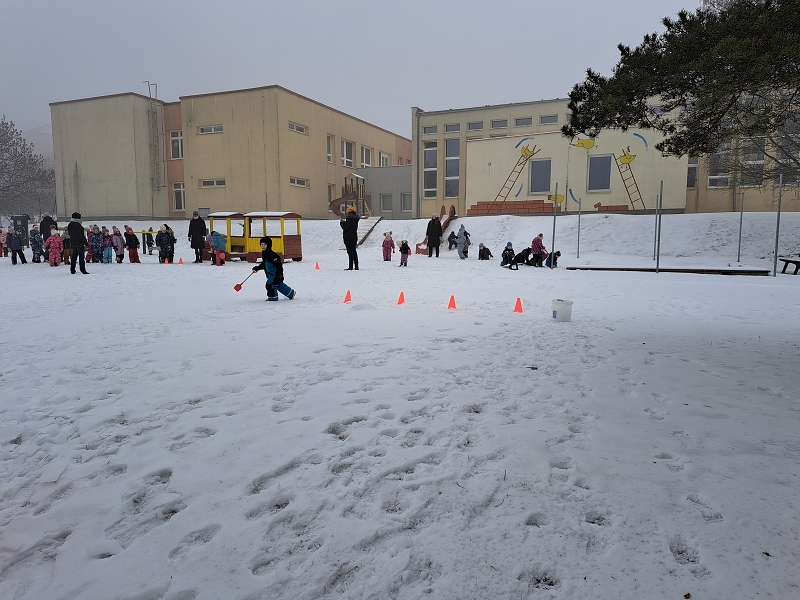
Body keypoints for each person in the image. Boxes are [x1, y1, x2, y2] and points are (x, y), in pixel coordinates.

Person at [251, 236, 296, 301]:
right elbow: (264, 263)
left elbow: (279, 265)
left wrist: (280, 274)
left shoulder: (273, 255)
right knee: (278, 285)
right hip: (270, 274)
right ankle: (290, 293)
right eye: (262, 244)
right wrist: (257, 268)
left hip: (274, 274)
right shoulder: (265, 254)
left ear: (268, 245)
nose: (263, 246)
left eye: (265, 244)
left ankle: (273, 297)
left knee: (270, 285)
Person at [340, 206, 360, 270]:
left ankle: (350, 266)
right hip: (354, 236)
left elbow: (345, 227)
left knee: (350, 252)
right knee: (354, 251)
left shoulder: (349, 219)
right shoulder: (355, 220)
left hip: (348, 237)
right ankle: (356, 266)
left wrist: (341, 222)